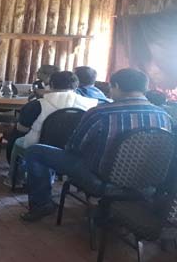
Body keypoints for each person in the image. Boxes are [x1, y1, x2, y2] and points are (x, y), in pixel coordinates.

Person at [21, 68, 173, 222]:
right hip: (147, 182)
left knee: (36, 152)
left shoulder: (100, 113)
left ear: (117, 86)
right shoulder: (164, 117)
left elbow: (75, 147)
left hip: (101, 178)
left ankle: (42, 204)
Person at [5, 71, 99, 187]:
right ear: (76, 85)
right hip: (74, 148)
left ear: (51, 84)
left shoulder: (36, 105)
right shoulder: (90, 105)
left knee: (17, 140)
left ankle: (15, 178)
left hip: (38, 146)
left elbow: (21, 130)